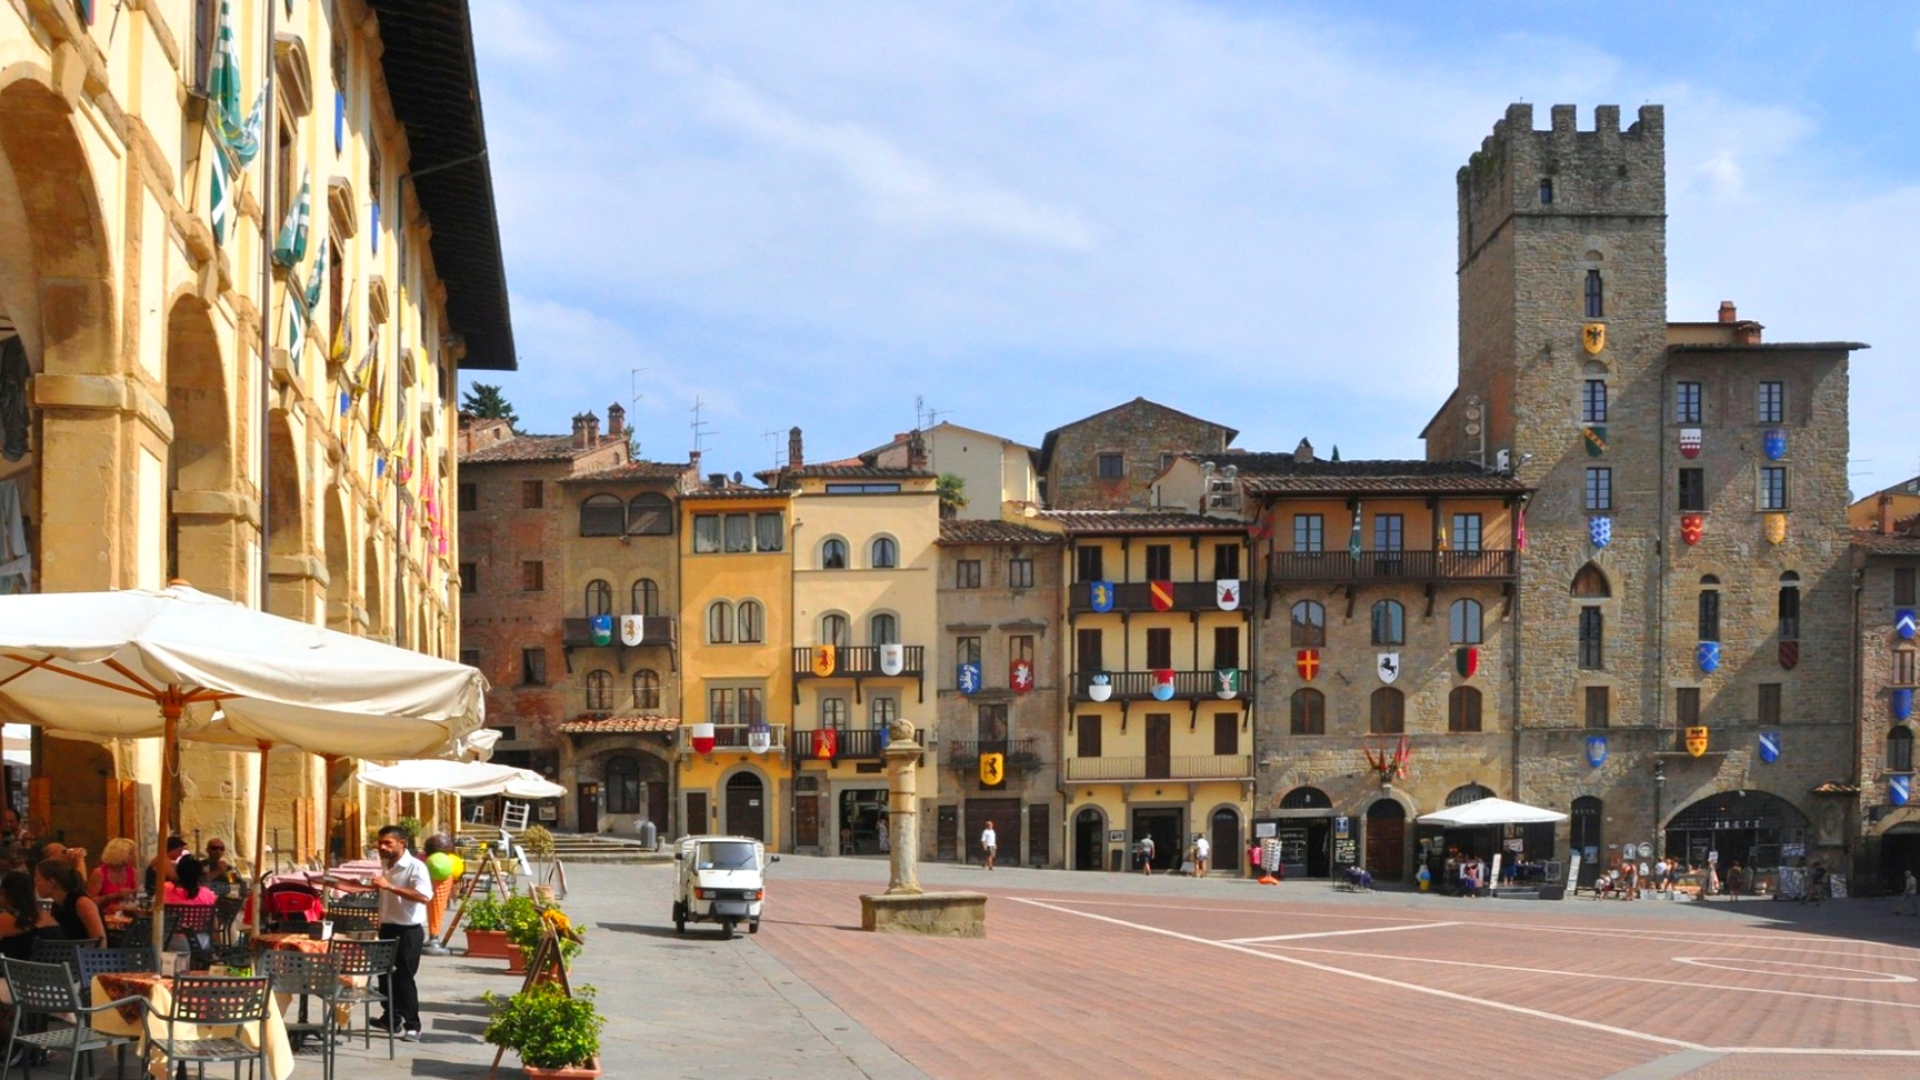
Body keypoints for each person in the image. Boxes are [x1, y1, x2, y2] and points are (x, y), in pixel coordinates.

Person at [356, 825, 432, 1042]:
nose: (382, 847)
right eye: (380, 843)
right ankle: (390, 1018)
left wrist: (389, 887)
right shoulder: (385, 865)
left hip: (408, 930)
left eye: (388, 843)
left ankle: (413, 1026)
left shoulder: (415, 867)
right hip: (387, 927)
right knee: (384, 974)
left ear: (402, 843)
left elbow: (424, 896)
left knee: (404, 978)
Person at [35, 858, 105, 942]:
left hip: (89, 954)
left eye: (38, 880)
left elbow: (100, 942)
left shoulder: (82, 903)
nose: (35, 884)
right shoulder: (57, 905)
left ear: (51, 883)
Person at [0, 869, 63, 960]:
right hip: (58, 971)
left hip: (19, 972)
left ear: (3, 893)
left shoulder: (4, 920)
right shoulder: (47, 917)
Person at [87, 837, 141, 912]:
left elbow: (138, 898)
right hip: (104, 915)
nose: (134, 856)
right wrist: (113, 895)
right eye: (131, 854)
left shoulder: (133, 872)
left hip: (126, 914)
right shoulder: (99, 873)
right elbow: (90, 902)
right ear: (119, 854)